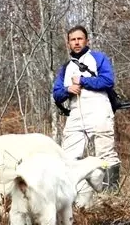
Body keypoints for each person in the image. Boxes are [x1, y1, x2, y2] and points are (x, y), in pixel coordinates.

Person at [52, 24, 122, 191]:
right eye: (73, 40)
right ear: (68, 43)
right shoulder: (66, 68)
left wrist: (83, 81)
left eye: (79, 39)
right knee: (67, 157)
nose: (76, 42)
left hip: (99, 109)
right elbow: (56, 93)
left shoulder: (98, 58)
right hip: (75, 114)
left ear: (86, 40)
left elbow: (108, 81)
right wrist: (68, 90)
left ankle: (110, 196)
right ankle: (73, 197)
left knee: (106, 154)